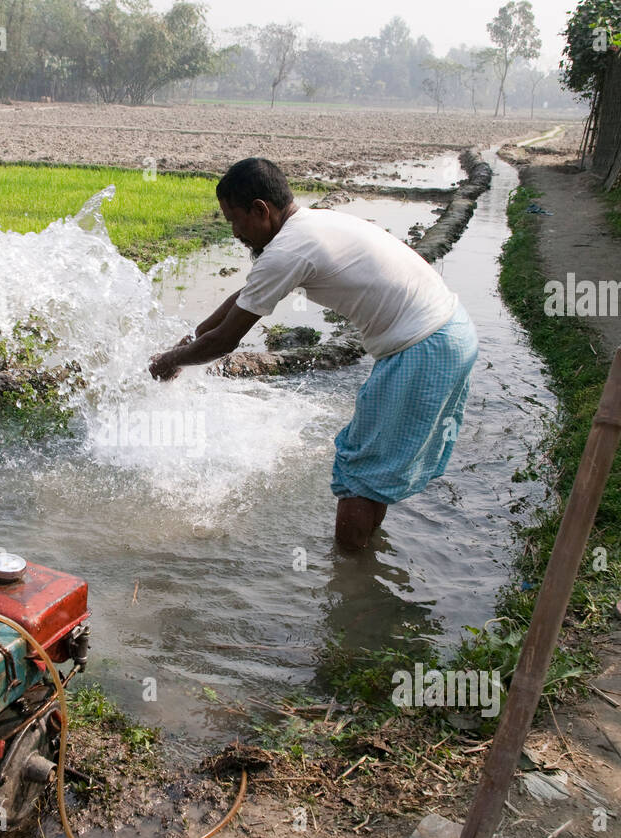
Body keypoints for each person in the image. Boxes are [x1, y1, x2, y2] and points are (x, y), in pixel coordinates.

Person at [148, 157, 478, 550]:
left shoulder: (288, 251)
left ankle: (347, 585)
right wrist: (194, 336)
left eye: (235, 220)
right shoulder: (310, 226)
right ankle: (365, 566)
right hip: (449, 333)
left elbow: (225, 342)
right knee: (375, 469)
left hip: (424, 347)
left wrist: (168, 362)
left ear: (260, 210)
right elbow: (246, 297)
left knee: (359, 473)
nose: (235, 232)